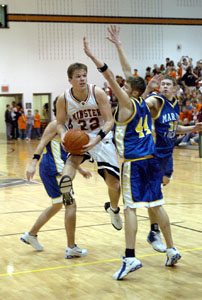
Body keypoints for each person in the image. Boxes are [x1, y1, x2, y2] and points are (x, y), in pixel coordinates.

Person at [83, 36, 181, 280]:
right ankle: (171, 249)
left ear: (132, 91)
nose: (122, 87)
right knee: (157, 206)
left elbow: (112, 78)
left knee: (131, 209)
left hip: (134, 164)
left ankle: (130, 257)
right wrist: (119, 46)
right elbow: (129, 75)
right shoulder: (143, 102)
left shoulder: (127, 104)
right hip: (151, 161)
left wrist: (93, 58)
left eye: (125, 87)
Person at [106, 25, 202, 254]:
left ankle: (155, 232)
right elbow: (136, 92)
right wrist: (143, 94)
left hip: (166, 155)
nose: (165, 86)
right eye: (163, 84)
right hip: (150, 154)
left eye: (169, 84)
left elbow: (174, 127)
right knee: (152, 197)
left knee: (158, 193)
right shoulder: (155, 101)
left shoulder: (174, 104)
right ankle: (153, 231)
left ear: (176, 88)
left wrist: (191, 128)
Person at [21, 98, 91, 258]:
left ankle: (31, 235)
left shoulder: (70, 126)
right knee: (71, 205)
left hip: (55, 169)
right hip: (55, 171)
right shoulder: (54, 125)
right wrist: (32, 164)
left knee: (57, 204)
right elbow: (41, 144)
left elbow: (67, 153)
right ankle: (71, 247)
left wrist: (79, 168)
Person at [56, 62, 122, 231]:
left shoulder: (97, 93)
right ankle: (66, 186)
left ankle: (113, 209)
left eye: (84, 75)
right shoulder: (63, 99)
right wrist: (64, 135)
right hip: (80, 136)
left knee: (114, 185)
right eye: (78, 76)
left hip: (102, 137)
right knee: (72, 161)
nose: (82, 79)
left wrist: (97, 139)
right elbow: (59, 124)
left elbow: (109, 121)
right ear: (70, 80)